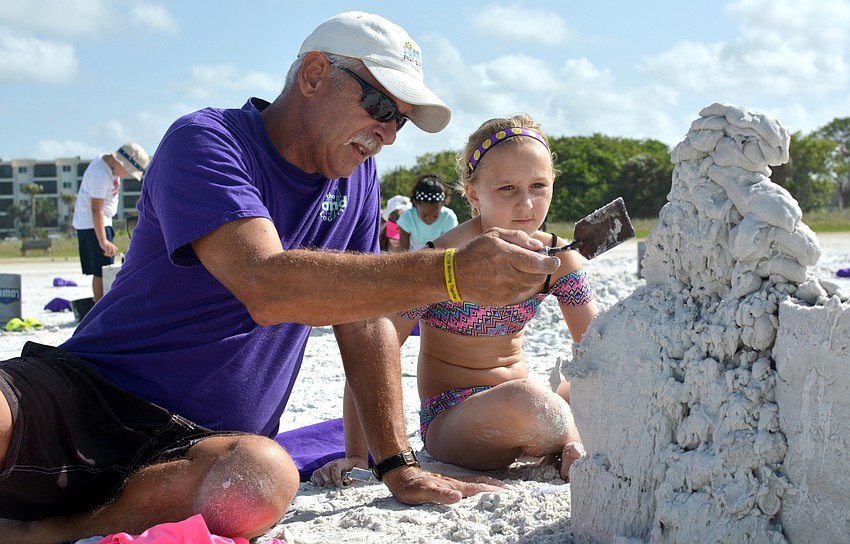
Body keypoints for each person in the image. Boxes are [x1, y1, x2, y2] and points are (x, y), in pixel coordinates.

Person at [0, 12, 563, 543]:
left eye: (399, 121)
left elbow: (362, 319)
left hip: (207, 446)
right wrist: (450, 272)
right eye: (379, 106)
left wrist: (396, 463)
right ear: (315, 74)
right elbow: (266, 283)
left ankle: (43, 533)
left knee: (262, 479)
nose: (387, 133)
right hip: (93, 391)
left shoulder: (358, 180)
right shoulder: (209, 141)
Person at [312, 114, 597, 488]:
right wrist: (355, 453)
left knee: (593, 380)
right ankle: (569, 437)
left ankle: (565, 436)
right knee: (533, 401)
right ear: (474, 193)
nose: (526, 204)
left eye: (539, 186)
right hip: (453, 417)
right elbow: (370, 349)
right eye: (508, 188)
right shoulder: (441, 260)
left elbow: (597, 347)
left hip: (520, 402)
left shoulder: (558, 258)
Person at [72, 142, 150, 301]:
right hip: (92, 224)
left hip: (102, 221)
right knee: (102, 269)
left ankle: (101, 303)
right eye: (128, 171)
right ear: (120, 162)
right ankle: (99, 307)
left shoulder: (109, 165)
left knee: (103, 268)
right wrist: (103, 240)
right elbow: (96, 209)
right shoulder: (100, 174)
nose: (127, 175)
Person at [397, 173, 458, 250]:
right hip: (412, 260)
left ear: (443, 203)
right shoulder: (407, 218)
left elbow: (449, 249)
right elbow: (403, 252)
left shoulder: (448, 218)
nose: (430, 220)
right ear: (415, 203)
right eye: (424, 215)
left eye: (435, 215)